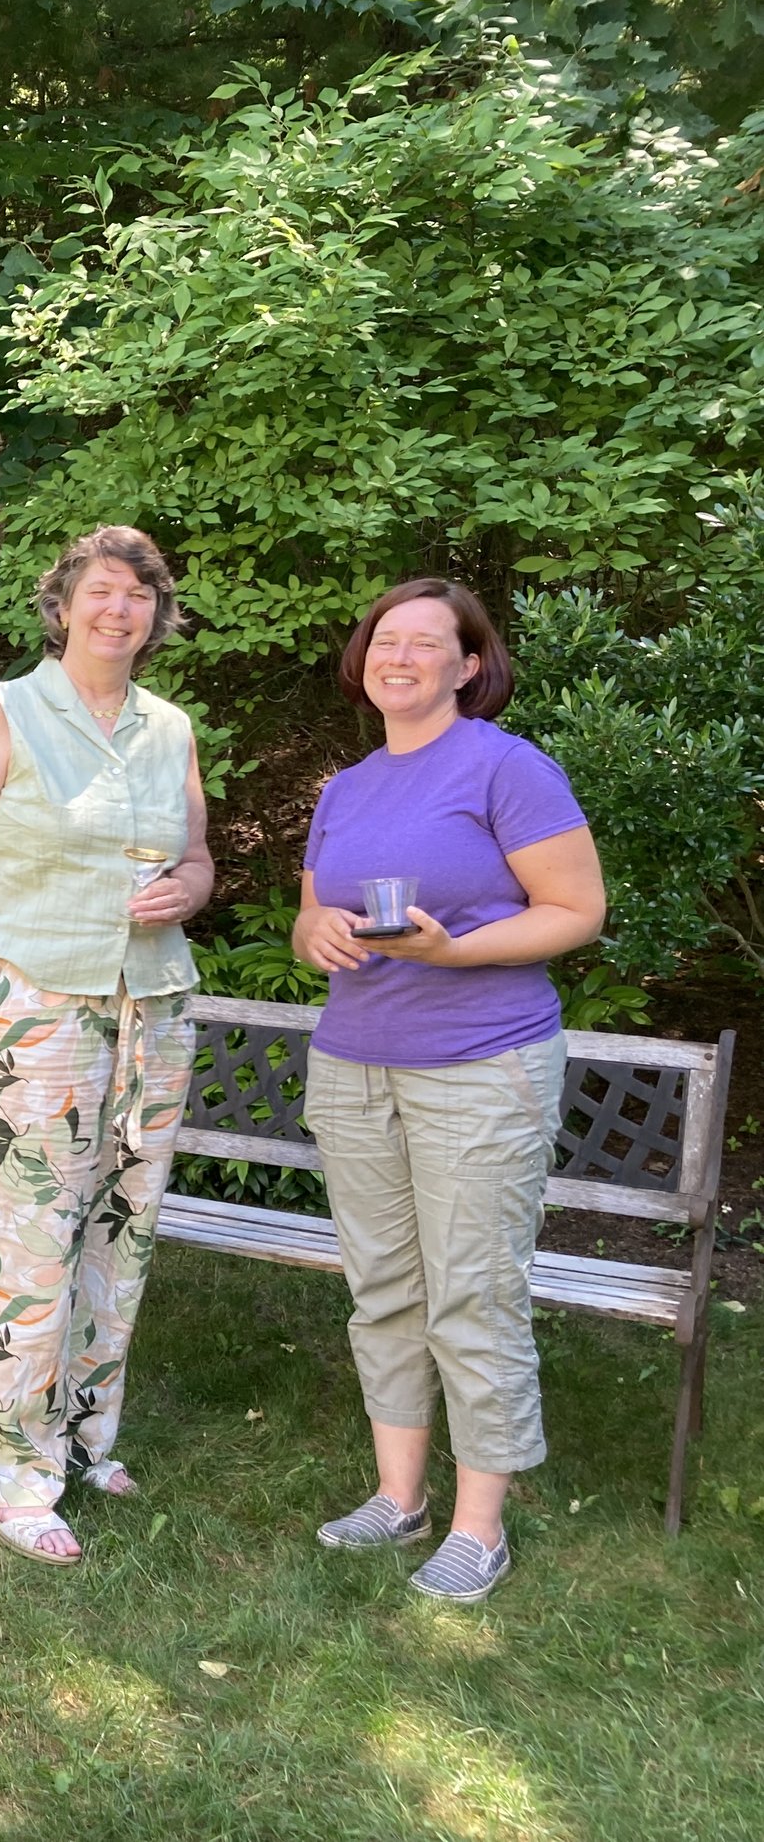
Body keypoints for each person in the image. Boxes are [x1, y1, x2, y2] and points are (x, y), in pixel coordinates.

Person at [294, 578, 604, 1603]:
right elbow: (309, 923)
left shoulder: (507, 769)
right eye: (386, 638)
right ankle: (399, 1495)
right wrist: (317, 933)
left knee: (472, 1294)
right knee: (383, 1290)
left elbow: (574, 910)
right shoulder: (345, 789)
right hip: (355, 1063)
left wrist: (454, 948)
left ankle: (479, 1528)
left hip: (481, 1065)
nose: (402, 655)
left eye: (428, 642)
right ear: (363, 658)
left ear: (468, 666)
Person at [0, 525, 212, 1565]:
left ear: (156, 615)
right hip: (38, 1008)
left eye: (138, 595)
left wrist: (187, 888)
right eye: (100, 591)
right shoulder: (3, 711)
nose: (119, 610)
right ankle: (4, 1470)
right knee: (32, 1241)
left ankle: (86, 1434)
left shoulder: (168, 728)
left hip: (155, 1006)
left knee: (122, 1226)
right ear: (63, 606)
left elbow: (198, 863)